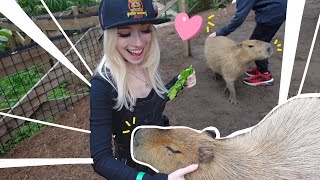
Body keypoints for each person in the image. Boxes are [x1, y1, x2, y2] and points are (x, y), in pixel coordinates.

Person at [89, 0, 197, 179]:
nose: (138, 43)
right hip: (133, 167)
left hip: (162, 147)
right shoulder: (103, 86)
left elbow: (157, 100)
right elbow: (101, 159)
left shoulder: (146, 64)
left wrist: (178, 83)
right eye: (124, 33)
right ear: (110, 36)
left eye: (145, 30)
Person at [209, 0, 287, 86]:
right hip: (277, 9)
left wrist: (220, 33)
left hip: (273, 13)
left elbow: (239, 18)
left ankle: (264, 75)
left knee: (256, 45)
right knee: (259, 40)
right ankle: (261, 70)